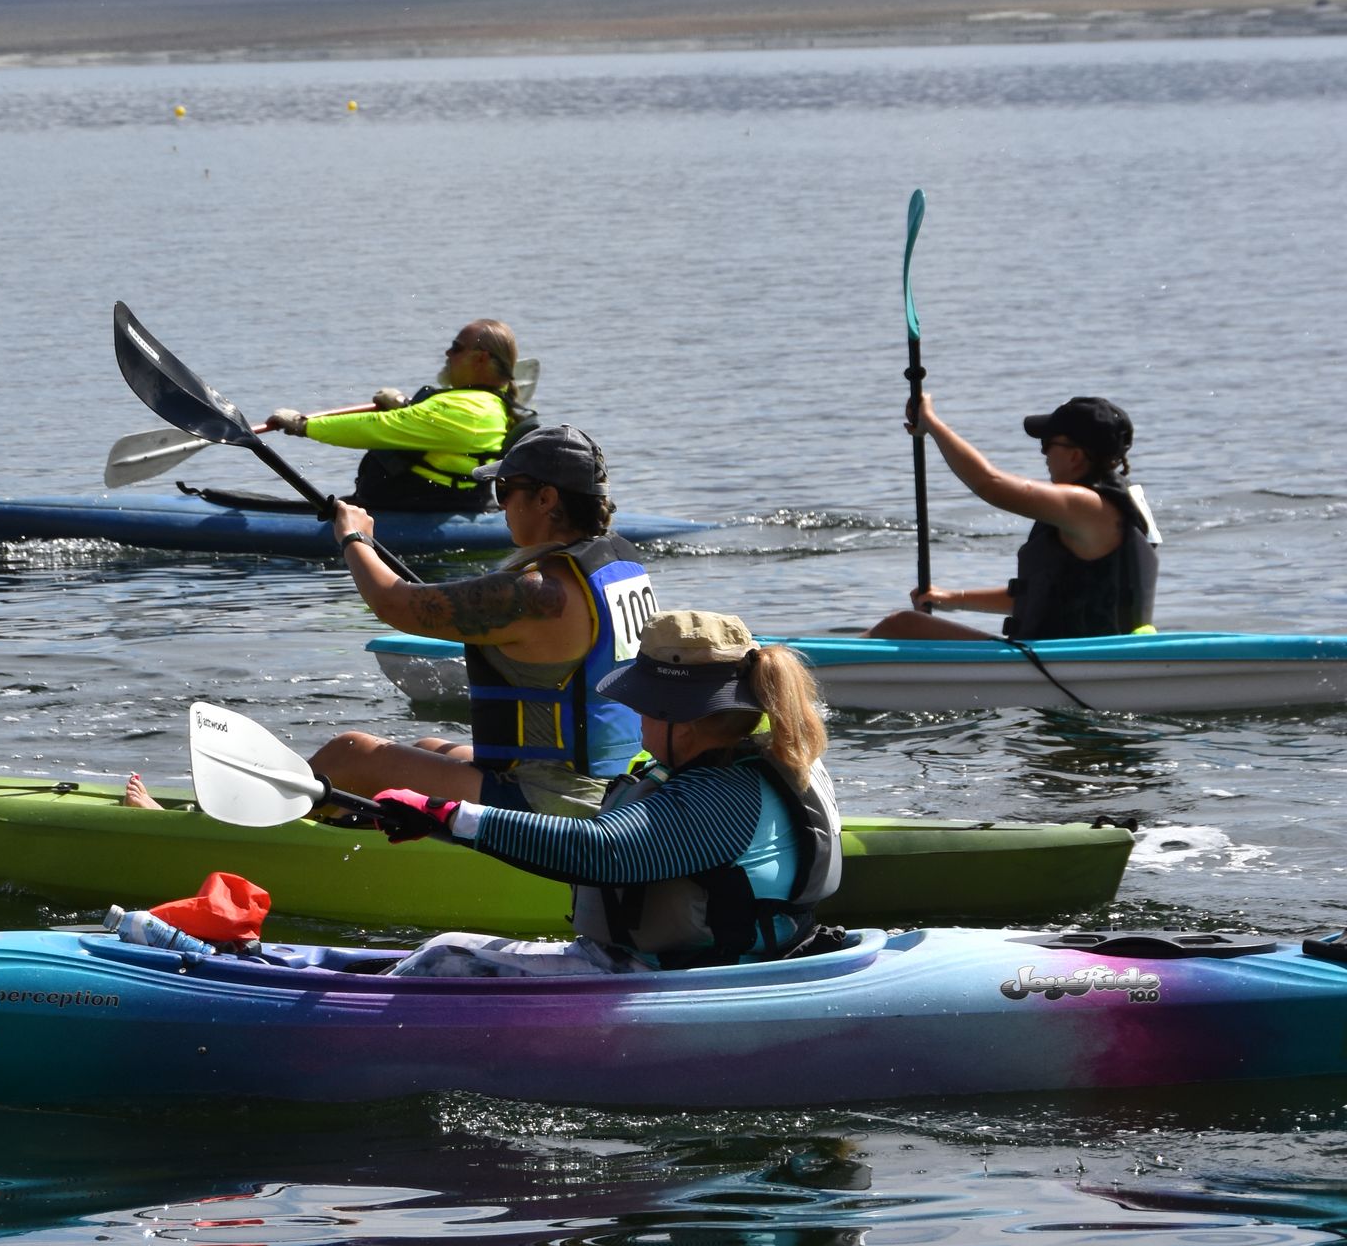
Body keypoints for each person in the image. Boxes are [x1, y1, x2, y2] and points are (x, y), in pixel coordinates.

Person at [372, 610, 844, 968]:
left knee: (443, 957)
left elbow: (603, 850)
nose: (637, 716)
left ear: (676, 717)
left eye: (642, 706)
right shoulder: (775, 755)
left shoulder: (718, 794)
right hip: (740, 957)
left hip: (684, 977)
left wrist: (448, 817)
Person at [306, 426, 658, 813]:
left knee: (350, 753)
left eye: (504, 490)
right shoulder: (620, 564)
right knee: (427, 747)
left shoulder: (538, 592)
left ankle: (264, 839)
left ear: (546, 498)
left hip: (554, 800)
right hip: (615, 782)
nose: (501, 506)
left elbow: (395, 604)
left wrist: (354, 539)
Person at [870, 391, 1158, 641]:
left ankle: (824, 686)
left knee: (903, 626)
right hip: (1066, 661)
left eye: (1047, 444)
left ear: (1076, 456)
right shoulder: (1108, 505)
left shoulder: (1087, 506)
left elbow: (990, 484)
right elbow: (1037, 597)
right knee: (911, 625)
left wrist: (931, 423)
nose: (1044, 454)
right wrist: (948, 598)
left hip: (1065, 664)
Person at [265, 318, 527, 514]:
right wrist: (404, 405)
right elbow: (424, 425)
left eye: (456, 348)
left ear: (480, 359)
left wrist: (303, 426)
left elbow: (380, 427)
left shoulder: (471, 411)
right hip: (413, 506)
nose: (447, 354)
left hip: (418, 510)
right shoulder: (484, 403)